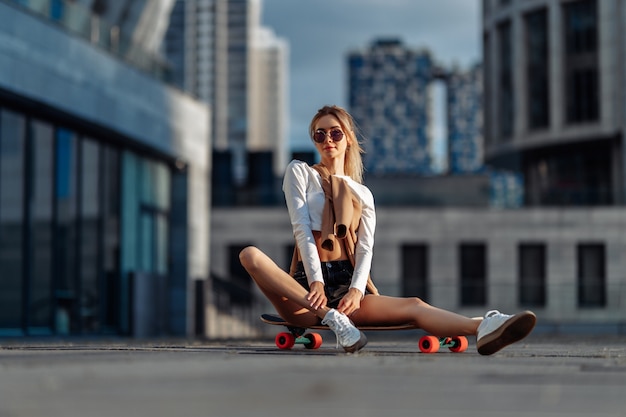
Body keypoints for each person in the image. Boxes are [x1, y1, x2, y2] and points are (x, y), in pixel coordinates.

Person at [239, 104, 536, 354]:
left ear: (349, 138)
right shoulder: (300, 172)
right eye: (319, 134)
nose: (327, 139)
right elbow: (302, 229)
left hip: (346, 287)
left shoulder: (362, 194)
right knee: (250, 255)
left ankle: (485, 326)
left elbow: (365, 248)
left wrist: (356, 290)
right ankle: (331, 319)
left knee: (414, 305)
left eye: (335, 133)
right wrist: (315, 283)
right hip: (304, 293)